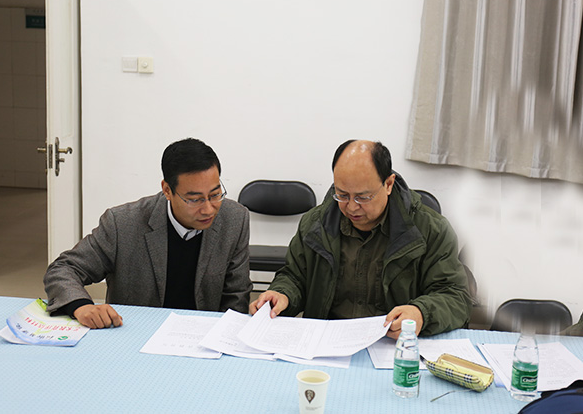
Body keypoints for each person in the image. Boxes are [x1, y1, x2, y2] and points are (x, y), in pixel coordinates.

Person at [250, 140, 472, 338]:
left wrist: (421, 313)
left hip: (392, 343)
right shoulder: (316, 224)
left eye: (363, 197)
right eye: (342, 195)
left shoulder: (429, 229)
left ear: (388, 184)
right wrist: (282, 294)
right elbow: (295, 276)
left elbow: (455, 296)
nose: (352, 207)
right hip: (327, 341)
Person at [45, 138, 251, 329]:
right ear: (167, 190)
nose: (208, 209)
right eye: (195, 199)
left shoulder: (234, 219)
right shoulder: (122, 224)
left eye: (215, 194)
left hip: (203, 335)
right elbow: (63, 269)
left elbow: (236, 296)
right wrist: (81, 306)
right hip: (135, 333)